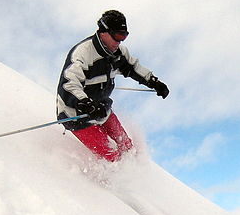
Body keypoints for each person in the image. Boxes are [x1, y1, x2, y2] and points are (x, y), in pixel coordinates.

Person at [57, 10, 169, 162]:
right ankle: (105, 184)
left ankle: (136, 178)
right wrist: (87, 105)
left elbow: (133, 68)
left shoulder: (118, 53)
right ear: (104, 32)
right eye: (117, 36)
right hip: (76, 114)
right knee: (112, 155)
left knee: (127, 148)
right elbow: (69, 85)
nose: (120, 41)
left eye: (124, 36)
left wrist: (154, 82)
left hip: (102, 108)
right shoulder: (82, 53)